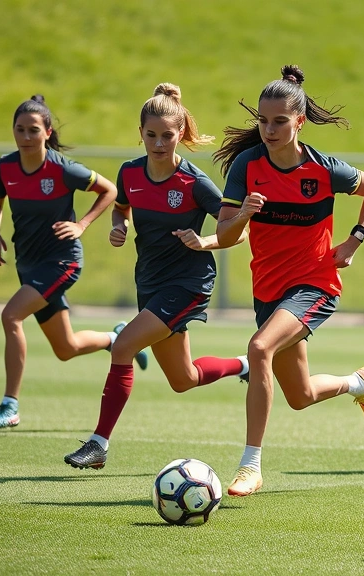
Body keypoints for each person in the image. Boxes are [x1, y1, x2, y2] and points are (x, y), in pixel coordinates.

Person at [212, 65, 364, 496]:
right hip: (268, 290)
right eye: (263, 121)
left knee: (258, 348)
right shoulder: (246, 167)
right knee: (301, 395)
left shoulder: (325, 169)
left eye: (279, 121)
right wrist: (244, 214)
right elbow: (223, 235)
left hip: (314, 284)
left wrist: (353, 240)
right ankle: (356, 383)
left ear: (299, 122)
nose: (268, 130)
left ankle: (250, 466)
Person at [64, 83, 249, 469]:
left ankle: (98, 444)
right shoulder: (129, 172)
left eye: (168, 135)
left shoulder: (194, 182)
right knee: (184, 379)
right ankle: (244, 365)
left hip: (188, 285)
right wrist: (119, 226)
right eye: (152, 135)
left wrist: (206, 242)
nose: (160, 143)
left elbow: (237, 230)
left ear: (180, 133)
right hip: (149, 282)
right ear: (141, 133)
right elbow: (122, 208)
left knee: (122, 346)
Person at [0, 95, 147, 429]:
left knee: (11, 316)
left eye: (33, 130)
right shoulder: (5, 167)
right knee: (66, 347)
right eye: (20, 129)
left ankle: (9, 405)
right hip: (28, 264)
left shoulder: (61, 168)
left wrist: (82, 225)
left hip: (62, 263)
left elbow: (110, 190)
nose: (26, 136)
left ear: (47, 131)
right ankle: (117, 338)